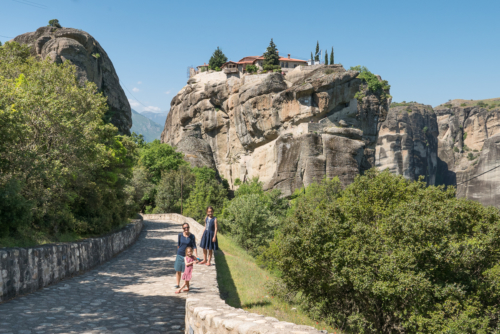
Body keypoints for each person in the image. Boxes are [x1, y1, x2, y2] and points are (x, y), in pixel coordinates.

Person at [175, 222, 198, 288]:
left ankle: (187, 286)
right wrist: (179, 252)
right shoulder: (180, 235)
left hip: (187, 256)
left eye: (187, 227)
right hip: (179, 254)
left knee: (186, 272)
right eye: (184, 228)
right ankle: (177, 284)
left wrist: (196, 255)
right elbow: (178, 245)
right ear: (183, 228)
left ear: (189, 228)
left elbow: (194, 246)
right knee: (178, 270)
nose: (186, 229)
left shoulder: (192, 236)